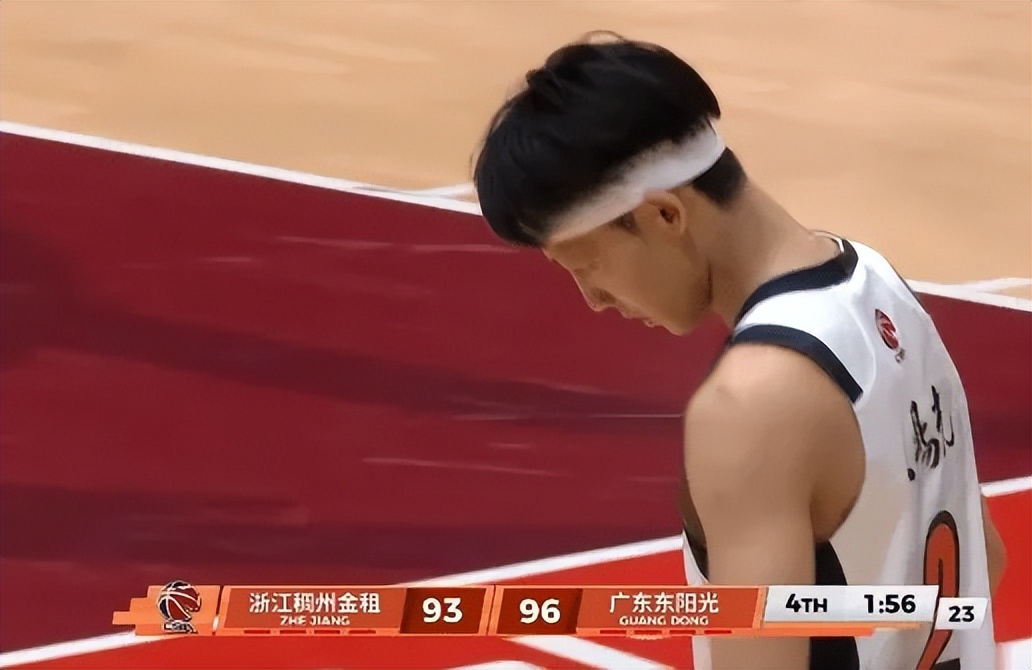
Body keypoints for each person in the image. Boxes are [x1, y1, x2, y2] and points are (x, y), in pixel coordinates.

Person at [471, 32, 1006, 670]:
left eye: (586, 265)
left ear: (665, 216)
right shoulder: (878, 285)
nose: (593, 299)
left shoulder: (751, 404)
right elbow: (985, 558)